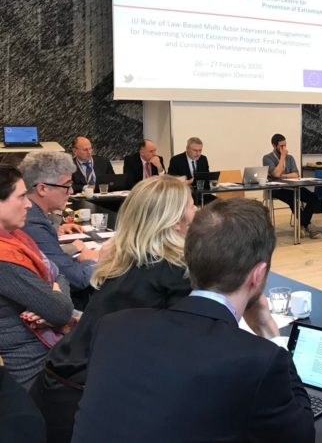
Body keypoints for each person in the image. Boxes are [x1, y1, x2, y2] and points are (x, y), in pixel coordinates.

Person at [71, 198, 314, 442]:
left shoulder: (114, 327)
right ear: (258, 274)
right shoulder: (260, 360)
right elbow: (302, 435)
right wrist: (269, 331)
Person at [29, 175, 194, 443]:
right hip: (85, 402)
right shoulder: (175, 273)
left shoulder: (123, 262)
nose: (197, 211)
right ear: (176, 220)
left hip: (55, 388)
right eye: (192, 205)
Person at [0, 164, 74, 390]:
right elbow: (61, 312)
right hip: (33, 372)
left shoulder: (15, 237)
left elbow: (59, 274)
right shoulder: (4, 258)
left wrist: (53, 292)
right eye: (21, 196)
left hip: (46, 357)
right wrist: (55, 297)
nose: (28, 204)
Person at [19, 151, 99, 290]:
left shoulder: (33, 215)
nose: (71, 191)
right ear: (42, 189)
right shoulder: (33, 224)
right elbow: (78, 279)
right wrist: (91, 260)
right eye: (67, 186)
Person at [263, 133, 320, 239]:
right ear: (274, 146)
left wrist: (283, 176)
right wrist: (282, 157)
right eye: (281, 146)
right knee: (293, 199)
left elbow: (296, 174)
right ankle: (307, 225)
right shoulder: (267, 158)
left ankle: (303, 224)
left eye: (285, 145)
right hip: (276, 188)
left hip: (292, 187)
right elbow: (276, 174)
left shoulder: (290, 158)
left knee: (313, 197)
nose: (284, 148)